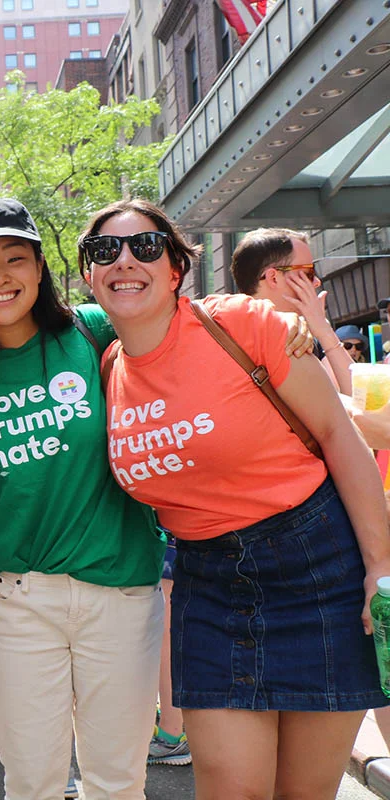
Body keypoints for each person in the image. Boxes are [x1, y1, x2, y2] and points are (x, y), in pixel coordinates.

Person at [81, 198, 390, 799]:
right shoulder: (104, 365)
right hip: (209, 588)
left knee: (303, 794)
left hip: (319, 570)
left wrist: (380, 566)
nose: (124, 260)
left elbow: (338, 436)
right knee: (230, 790)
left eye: (145, 246)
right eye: (104, 250)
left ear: (175, 267)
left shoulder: (241, 324)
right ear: (91, 274)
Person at [0, 198, 164, 799]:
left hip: (121, 591)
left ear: (39, 268)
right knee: (32, 783)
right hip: (15, 599)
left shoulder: (93, 331)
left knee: (117, 781)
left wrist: (282, 323)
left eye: (14, 258)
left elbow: (184, 328)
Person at [230, 227, 353, 394]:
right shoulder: (238, 338)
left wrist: (325, 333)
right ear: (273, 278)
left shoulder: (306, 337)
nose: (316, 282)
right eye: (309, 272)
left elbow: (357, 399)